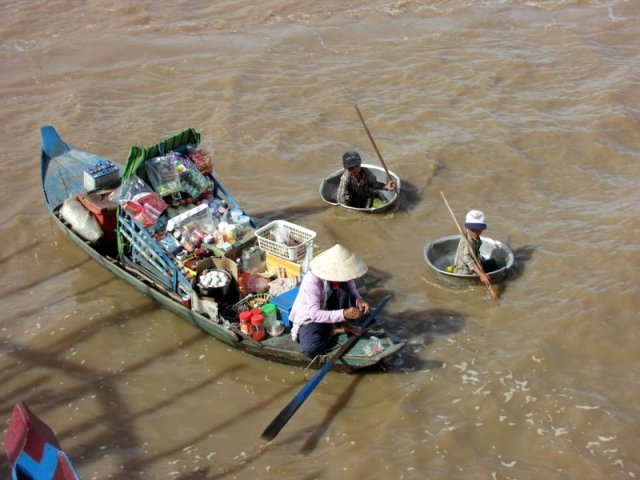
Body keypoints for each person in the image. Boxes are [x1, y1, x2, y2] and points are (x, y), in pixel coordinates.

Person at [289, 244, 371, 358]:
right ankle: (335, 329)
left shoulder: (344, 277)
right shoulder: (312, 281)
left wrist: (358, 300)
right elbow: (314, 314)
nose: (339, 281)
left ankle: (340, 323)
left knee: (346, 288)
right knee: (311, 348)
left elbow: (351, 288)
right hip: (310, 317)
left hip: (328, 307)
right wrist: (343, 313)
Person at [453, 209, 498, 289]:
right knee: (473, 283)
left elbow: (476, 254)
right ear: (468, 228)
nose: (475, 232)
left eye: (478, 229)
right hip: (464, 270)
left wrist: (480, 267)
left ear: (482, 229)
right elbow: (467, 258)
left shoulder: (476, 239)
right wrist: (481, 274)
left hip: (474, 263)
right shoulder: (467, 241)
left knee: (493, 263)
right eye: (472, 229)